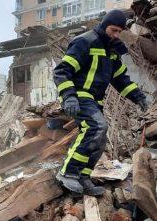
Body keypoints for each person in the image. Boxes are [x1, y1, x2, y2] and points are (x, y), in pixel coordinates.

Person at [54, 9, 149, 196]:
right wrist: (69, 96)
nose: (115, 34)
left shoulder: (112, 51)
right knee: (97, 126)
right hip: (79, 95)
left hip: (94, 100)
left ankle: (83, 177)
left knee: (100, 138)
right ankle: (68, 172)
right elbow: (61, 71)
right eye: (113, 30)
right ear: (105, 25)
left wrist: (139, 97)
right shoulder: (85, 41)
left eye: (119, 32)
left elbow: (121, 79)